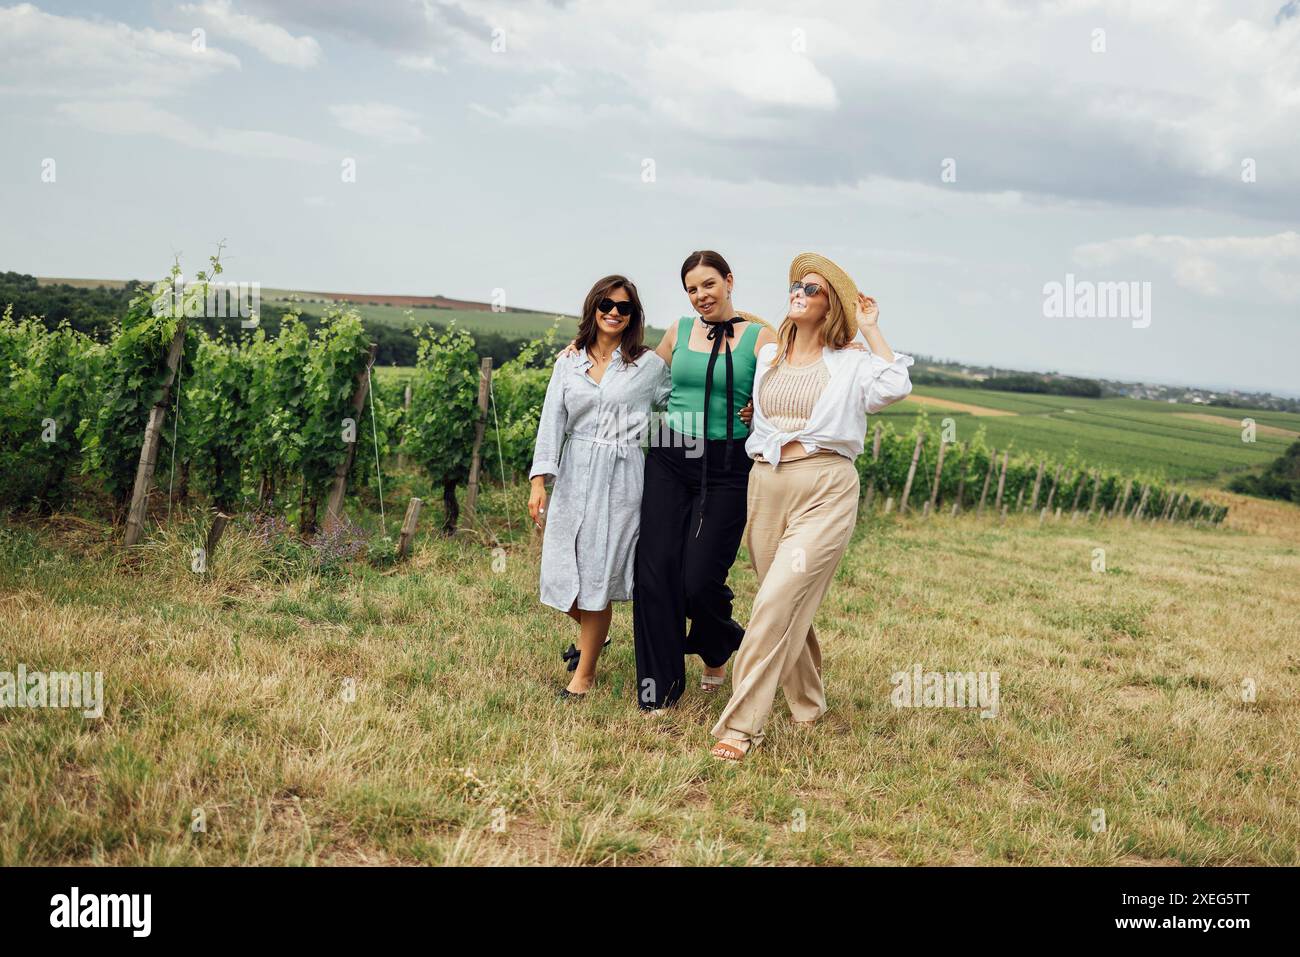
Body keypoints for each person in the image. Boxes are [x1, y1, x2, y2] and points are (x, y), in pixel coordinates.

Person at [709, 252, 913, 760]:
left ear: (830, 307)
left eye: (813, 289)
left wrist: (870, 329)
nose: (800, 291)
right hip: (766, 485)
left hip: (825, 488)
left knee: (774, 603)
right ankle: (808, 703)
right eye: (797, 285)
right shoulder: (768, 357)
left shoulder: (851, 363)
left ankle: (740, 727)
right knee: (784, 601)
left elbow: (895, 385)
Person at [528, 275, 669, 698]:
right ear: (593, 308)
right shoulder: (568, 362)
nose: (613, 312)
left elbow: (681, 400)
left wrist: (742, 405)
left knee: (597, 573)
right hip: (574, 472)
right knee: (557, 573)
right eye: (606, 304)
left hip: (623, 476)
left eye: (623, 307)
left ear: (632, 316)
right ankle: (596, 635)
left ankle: (583, 677)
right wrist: (539, 481)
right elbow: (551, 421)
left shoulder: (648, 367)